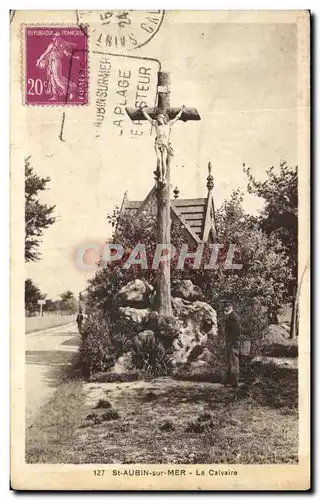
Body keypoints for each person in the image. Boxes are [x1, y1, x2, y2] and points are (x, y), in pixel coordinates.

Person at [141, 106, 185, 184]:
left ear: (163, 119)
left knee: (163, 161)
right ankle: (160, 176)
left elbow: (176, 118)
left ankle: (163, 177)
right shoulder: (156, 125)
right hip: (157, 144)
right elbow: (149, 118)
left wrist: (181, 110)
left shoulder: (168, 125)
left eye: (160, 118)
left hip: (164, 145)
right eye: (157, 119)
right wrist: (143, 111)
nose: (158, 120)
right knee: (159, 160)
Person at [222, 300, 241, 388]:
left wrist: (231, 342)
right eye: (225, 306)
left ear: (231, 307)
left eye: (228, 306)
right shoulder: (229, 316)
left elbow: (237, 332)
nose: (226, 308)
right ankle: (229, 381)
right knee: (229, 361)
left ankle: (234, 382)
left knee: (233, 361)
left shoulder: (234, 317)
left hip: (233, 342)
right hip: (229, 341)